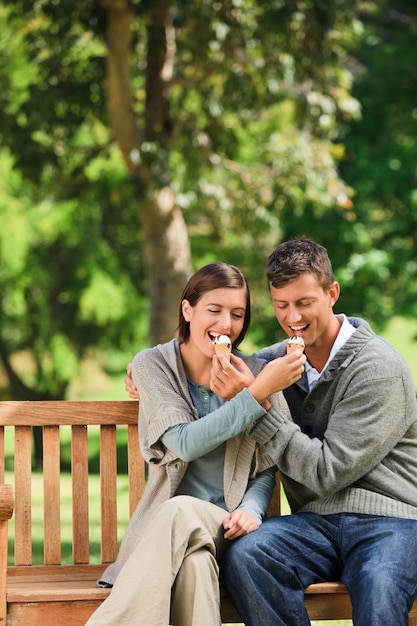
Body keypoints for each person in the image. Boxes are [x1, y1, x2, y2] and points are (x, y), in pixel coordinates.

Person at [86, 261, 305, 626]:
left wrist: (251, 509)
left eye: (237, 314)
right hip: (170, 538)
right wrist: (255, 394)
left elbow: (267, 465)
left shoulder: (252, 370)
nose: (226, 325)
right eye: (214, 310)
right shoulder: (153, 366)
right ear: (188, 310)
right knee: (195, 565)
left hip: (227, 529)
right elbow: (183, 444)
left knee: (178, 511)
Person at [218, 238, 417, 626]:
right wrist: (151, 366)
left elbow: (328, 472)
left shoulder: (378, 367)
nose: (293, 317)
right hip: (315, 525)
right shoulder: (278, 362)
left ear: (332, 293)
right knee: (249, 554)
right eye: (281, 305)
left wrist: (257, 408)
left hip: (391, 522)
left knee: (379, 582)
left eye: (304, 302)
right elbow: (214, 359)